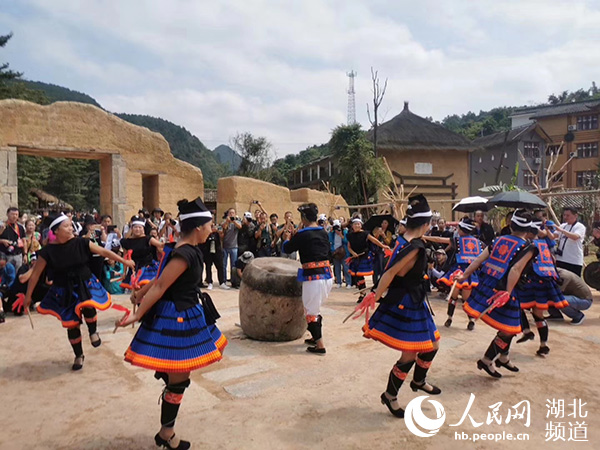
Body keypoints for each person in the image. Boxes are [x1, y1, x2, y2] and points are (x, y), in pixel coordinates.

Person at [116, 197, 227, 450]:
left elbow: (158, 281)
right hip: (178, 317)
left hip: (186, 311)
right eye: (210, 225)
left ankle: (167, 425)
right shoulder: (184, 253)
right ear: (198, 227)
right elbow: (161, 284)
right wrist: (137, 313)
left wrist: (140, 295)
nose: (213, 229)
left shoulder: (180, 249)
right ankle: (167, 433)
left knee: (178, 375)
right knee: (179, 377)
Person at [362, 194, 441, 418]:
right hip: (407, 302)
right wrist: (375, 295)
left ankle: (418, 380)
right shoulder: (414, 247)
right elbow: (391, 272)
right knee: (409, 355)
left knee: (433, 345)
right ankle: (390, 396)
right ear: (426, 224)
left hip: (414, 299)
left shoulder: (403, 239)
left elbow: (391, 269)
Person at [23, 213, 134, 370]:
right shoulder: (48, 251)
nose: (71, 228)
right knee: (71, 323)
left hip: (84, 281)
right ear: (56, 231)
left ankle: (93, 331)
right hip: (64, 288)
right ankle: (79, 355)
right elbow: (35, 275)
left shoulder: (82, 242)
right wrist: (28, 297)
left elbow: (104, 252)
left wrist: (124, 261)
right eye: (66, 226)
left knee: (88, 305)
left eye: (70, 225)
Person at [459, 209, 537, 378]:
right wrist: (507, 292)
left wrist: (464, 275)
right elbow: (516, 269)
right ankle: (487, 360)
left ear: (510, 224)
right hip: (504, 288)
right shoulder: (527, 247)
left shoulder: (498, 239)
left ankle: (503, 356)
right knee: (510, 328)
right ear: (528, 229)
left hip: (488, 283)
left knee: (512, 325)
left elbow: (480, 259)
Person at [281, 203, 333, 354]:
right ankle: (315, 337)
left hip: (313, 278)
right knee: (314, 309)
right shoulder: (323, 232)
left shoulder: (302, 234)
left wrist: (287, 238)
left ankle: (320, 345)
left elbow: (287, 248)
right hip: (327, 276)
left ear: (303, 217)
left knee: (311, 313)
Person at [515, 219, 569, 356]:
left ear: (528, 233)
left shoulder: (528, 246)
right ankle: (543, 345)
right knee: (539, 315)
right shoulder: (543, 244)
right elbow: (553, 260)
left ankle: (527, 331)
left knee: (516, 304)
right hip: (547, 282)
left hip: (533, 281)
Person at [430, 218, 482, 330]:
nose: (457, 230)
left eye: (459, 228)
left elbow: (439, 239)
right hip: (469, 272)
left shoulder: (457, 241)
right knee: (463, 298)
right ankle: (452, 318)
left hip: (462, 271)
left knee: (457, 297)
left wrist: (424, 237)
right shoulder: (478, 243)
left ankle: (468, 319)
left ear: (462, 230)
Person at [347, 219, 390, 298]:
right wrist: (353, 253)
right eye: (355, 224)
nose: (357, 226)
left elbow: (374, 241)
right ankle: (362, 292)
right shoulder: (350, 235)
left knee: (361, 274)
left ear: (361, 225)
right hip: (355, 257)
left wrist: (383, 246)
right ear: (352, 226)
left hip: (365, 256)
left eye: (358, 224)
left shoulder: (365, 234)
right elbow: (349, 247)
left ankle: (364, 292)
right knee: (357, 276)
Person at [120, 217, 164, 291]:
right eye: (135, 227)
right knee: (136, 291)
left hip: (148, 267)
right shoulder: (126, 242)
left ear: (143, 229)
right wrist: (124, 272)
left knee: (146, 288)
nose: (137, 229)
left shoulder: (148, 239)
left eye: (140, 227)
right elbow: (126, 257)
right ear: (132, 229)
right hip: (135, 268)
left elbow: (160, 245)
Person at [554, 207, 586, 276]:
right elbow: (553, 236)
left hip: (573, 261)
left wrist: (561, 230)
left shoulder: (580, 226)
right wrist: (547, 229)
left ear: (575, 216)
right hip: (561, 259)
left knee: (574, 283)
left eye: (568, 215)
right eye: (564, 215)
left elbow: (575, 237)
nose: (565, 217)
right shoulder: (563, 226)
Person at [0, 207, 26, 271]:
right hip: (5, 255)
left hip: (18, 254)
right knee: (6, 274)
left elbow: (24, 241)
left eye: (16, 214)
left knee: (18, 273)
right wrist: (2, 241)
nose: (14, 216)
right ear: (7, 214)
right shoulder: (2, 226)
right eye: (12, 214)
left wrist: (25, 254)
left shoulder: (20, 227)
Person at [221, 208, 241, 288]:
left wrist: (234, 221)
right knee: (224, 264)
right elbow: (224, 227)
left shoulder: (237, 221)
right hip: (225, 246)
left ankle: (234, 281)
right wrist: (227, 221)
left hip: (234, 246)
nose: (231, 214)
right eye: (230, 213)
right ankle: (224, 280)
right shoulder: (225, 221)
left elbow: (240, 226)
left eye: (233, 213)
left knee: (233, 265)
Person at [202, 223, 225, 290]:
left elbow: (222, 236)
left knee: (220, 266)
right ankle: (209, 282)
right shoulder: (206, 229)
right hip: (208, 251)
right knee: (208, 267)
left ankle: (221, 282)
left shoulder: (218, 229)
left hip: (217, 251)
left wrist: (218, 231)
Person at [329, 220, 351, 289]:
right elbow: (329, 240)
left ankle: (348, 283)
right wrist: (331, 231)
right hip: (335, 253)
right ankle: (339, 282)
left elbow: (347, 241)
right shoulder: (332, 234)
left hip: (344, 252)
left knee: (346, 268)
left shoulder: (344, 232)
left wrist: (341, 235)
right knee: (337, 268)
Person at [0, 254, 16, 323]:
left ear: (6, 262)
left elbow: (13, 279)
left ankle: (1, 312)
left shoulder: (10, 267)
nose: (1, 266)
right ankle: (1, 311)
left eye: (3, 265)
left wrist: (7, 286)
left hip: (10, 287)